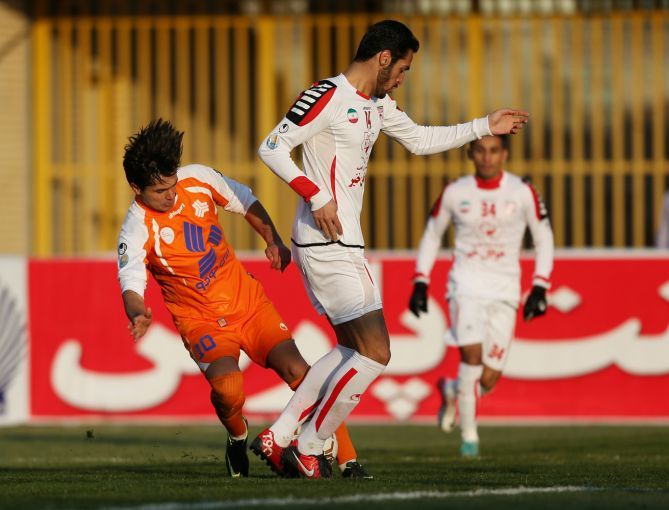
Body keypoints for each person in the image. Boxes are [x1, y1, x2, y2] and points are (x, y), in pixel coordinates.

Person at [254, 19, 529, 478]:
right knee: (375, 352)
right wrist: (316, 196)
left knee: (351, 350)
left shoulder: (376, 104)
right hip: (324, 241)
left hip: (345, 242)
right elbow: (272, 147)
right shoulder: (326, 95)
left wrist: (484, 124)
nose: (402, 78)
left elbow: (420, 140)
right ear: (384, 59)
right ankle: (310, 443)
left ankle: (280, 434)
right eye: (402, 69)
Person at [117, 119, 365, 479]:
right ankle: (236, 435)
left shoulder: (198, 178)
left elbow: (245, 200)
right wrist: (138, 311)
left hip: (248, 304)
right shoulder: (135, 227)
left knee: (299, 371)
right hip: (200, 321)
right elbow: (131, 280)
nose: (170, 195)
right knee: (228, 389)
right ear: (136, 187)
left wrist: (272, 239)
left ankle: (349, 461)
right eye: (159, 191)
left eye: (172, 185)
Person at [407, 134, 553, 456]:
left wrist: (541, 285)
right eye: (481, 151)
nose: (487, 157)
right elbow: (432, 235)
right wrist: (421, 281)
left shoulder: (522, 191)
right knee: (471, 357)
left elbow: (543, 236)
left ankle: (451, 390)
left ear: (504, 154)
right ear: (471, 154)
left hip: (505, 290)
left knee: (488, 378)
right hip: (466, 286)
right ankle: (469, 438)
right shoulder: (455, 192)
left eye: (494, 151)